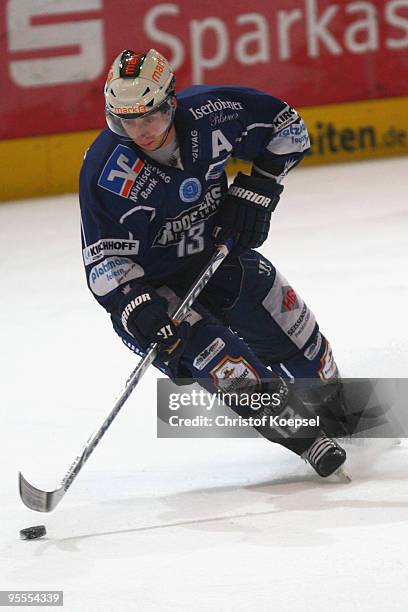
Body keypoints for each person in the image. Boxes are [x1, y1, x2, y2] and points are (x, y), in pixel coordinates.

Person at [79, 48, 350, 478]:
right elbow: (105, 261)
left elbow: (288, 128)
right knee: (228, 366)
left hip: (217, 257)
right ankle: (306, 439)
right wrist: (138, 308)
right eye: (126, 120)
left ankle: (337, 410)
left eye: (148, 117)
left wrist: (260, 187)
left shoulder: (214, 112)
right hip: (157, 289)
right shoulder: (106, 170)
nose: (139, 131)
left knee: (296, 331)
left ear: (172, 102)